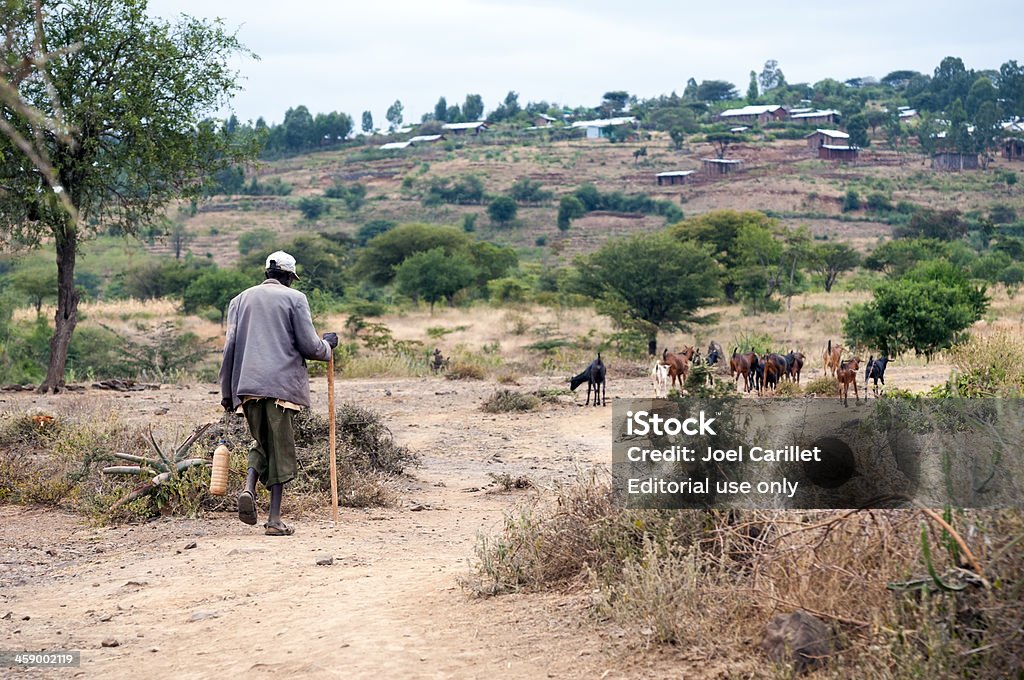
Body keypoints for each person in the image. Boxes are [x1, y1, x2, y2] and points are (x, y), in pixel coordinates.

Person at [219, 250, 338, 536]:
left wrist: (227, 392)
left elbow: (229, 348)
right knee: (281, 451)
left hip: (246, 387)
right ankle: (274, 519)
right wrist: (328, 345)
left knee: (261, 442)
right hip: (281, 387)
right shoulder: (295, 299)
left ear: (267, 273)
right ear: (287, 277)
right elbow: (310, 347)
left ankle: (248, 488)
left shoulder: (239, 301)